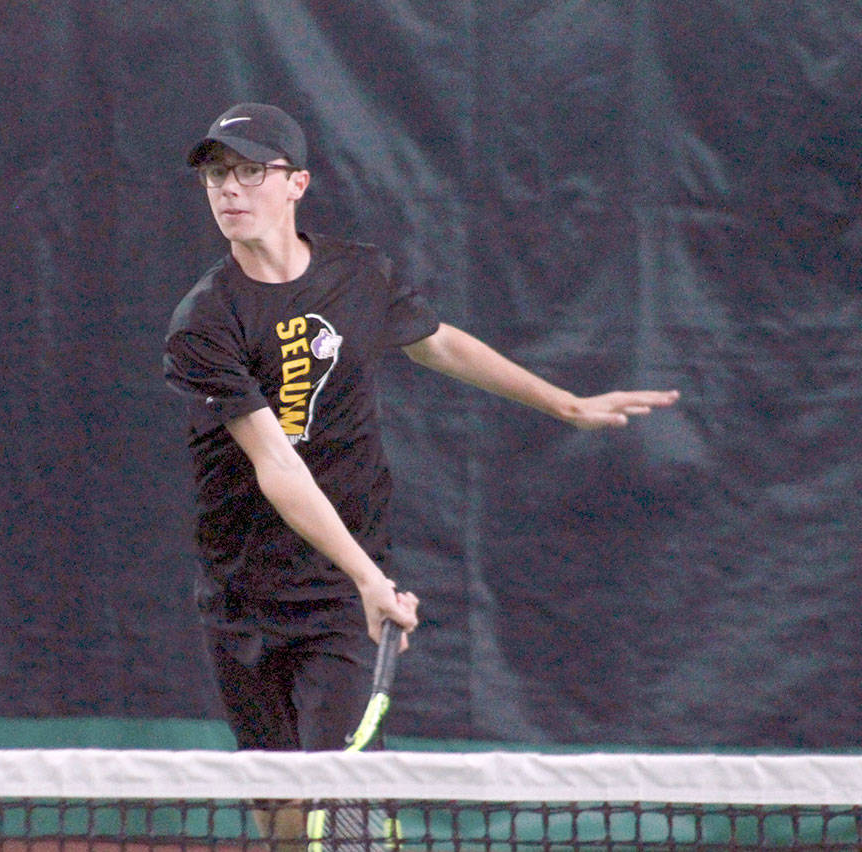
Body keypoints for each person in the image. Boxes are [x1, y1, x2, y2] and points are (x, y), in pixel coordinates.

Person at [162, 102, 678, 841]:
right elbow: (275, 463)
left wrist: (562, 403)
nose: (229, 190)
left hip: (343, 596)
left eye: (250, 171)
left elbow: (437, 342)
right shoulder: (205, 321)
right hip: (242, 594)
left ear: (297, 183)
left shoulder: (360, 276)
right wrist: (372, 579)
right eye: (216, 174)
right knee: (280, 815)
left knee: (339, 813)